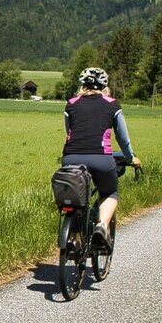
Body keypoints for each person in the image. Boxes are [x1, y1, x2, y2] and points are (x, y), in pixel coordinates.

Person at [62, 67, 141, 250]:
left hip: (71, 158)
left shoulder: (71, 104)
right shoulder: (112, 104)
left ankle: (73, 236)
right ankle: (102, 226)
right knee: (109, 192)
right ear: (104, 85)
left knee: (76, 197)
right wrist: (130, 158)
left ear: (83, 84)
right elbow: (123, 139)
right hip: (101, 159)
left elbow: (70, 133)